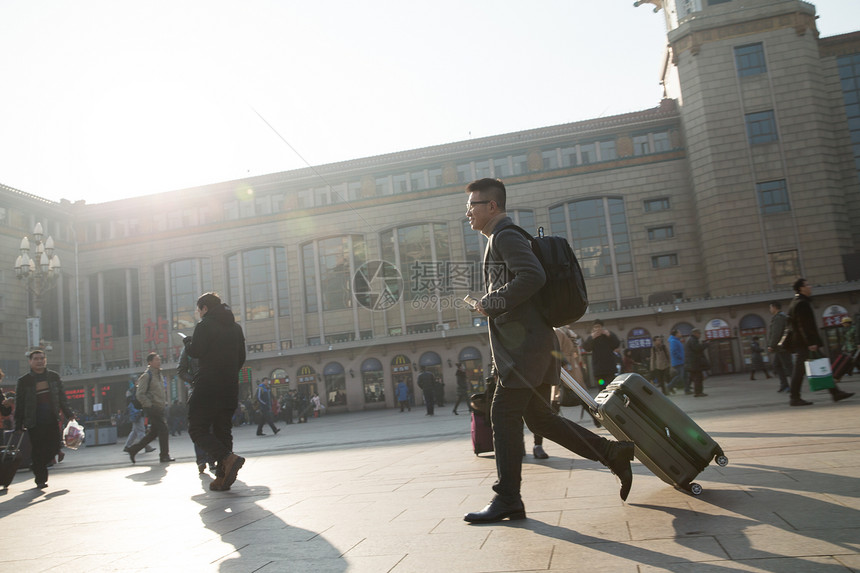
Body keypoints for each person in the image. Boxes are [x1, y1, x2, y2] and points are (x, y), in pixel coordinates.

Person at [462, 178, 633, 524]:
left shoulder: (505, 236)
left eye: (473, 204)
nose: (468, 212)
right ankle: (612, 453)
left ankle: (508, 498)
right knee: (540, 418)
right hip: (533, 345)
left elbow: (533, 276)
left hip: (525, 349)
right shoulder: (504, 237)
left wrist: (491, 302)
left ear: (492, 206)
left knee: (503, 416)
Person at [185, 292, 247, 491]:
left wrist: (187, 344)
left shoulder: (204, 325)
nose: (198, 314)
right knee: (223, 429)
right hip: (229, 385)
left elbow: (196, 352)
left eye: (199, 310)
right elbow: (241, 358)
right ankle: (222, 476)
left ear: (205, 308)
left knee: (197, 428)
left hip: (208, 385)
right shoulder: (236, 328)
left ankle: (227, 458)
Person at [785, 278, 854, 407]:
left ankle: (835, 393)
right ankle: (794, 397)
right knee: (799, 370)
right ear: (801, 288)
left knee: (820, 366)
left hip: (802, 342)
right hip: (804, 343)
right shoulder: (801, 303)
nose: (810, 286)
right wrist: (810, 342)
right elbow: (802, 326)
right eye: (807, 285)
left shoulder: (796, 302)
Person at [13, 349, 75, 489]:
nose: (39, 361)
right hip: (34, 421)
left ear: (45, 360)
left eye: (42, 358)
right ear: (30, 361)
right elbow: (20, 403)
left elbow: (61, 397)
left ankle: (36, 464)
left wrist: (69, 413)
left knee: (54, 447)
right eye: (36, 359)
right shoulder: (24, 381)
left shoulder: (53, 377)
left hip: (52, 418)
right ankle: (41, 479)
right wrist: (18, 424)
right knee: (38, 449)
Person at [126, 352, 174, 463]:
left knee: (153, 433)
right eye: (156, 360)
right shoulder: (147, 375)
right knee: (164, 430)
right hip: (152, 408)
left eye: (159, 359)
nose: (159, 361)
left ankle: (133, 450)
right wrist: (149, 405)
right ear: (150, 362)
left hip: (159, 407)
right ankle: (164, 455)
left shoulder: (159, 375)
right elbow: (140, 394)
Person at [177, 340, 215, 474]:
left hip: (212, 391)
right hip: (196, 392)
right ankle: (201, 459)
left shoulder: (210, 346)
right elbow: (181, 371)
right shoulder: (188, 350)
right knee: (198, 427)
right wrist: (193, 380)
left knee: (212, 427)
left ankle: (212, 460)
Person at [582, 319, 621, 387]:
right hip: (598, 371)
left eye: (599, 326)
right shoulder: (592, 338)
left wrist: (609, 335)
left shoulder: (608, 335)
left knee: (611, 386)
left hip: (610, 369)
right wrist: (592, 337)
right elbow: (586, 348)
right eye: (595, 327)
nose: (597, 329)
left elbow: (616, 344)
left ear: (602, 327)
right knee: (601, 386)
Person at [767, 301, 792, 393]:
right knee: (777, 365)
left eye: (770, 308)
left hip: (782, 346)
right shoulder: (781, 317)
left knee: (788, 367)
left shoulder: (779, 318)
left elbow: (776, 333)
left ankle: (793, 386)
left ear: (774, 307)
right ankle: (784, 385)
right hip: (781, 347)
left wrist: (771, 345)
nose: (770, 310)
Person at [685, 328, 710, 397]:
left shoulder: (690, 339)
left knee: (697, 378)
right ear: (695, 333)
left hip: (693, 363)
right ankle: (698, 392)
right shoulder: (693, 340)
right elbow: (697, 348)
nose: (700, 335)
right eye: (699, 333)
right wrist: (705, 345)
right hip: (694, 363)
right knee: (698, 378)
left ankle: (698, 392)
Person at [666, 328, 686, 394]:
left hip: (680, 361)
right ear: (676, 334)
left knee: (682, 375)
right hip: (678, 362)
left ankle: (687, 388)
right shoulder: (673, 341)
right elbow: (674, 351)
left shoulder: (676, 340)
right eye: (679, 333)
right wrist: (681, 357)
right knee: (679, 376)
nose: (681, 334)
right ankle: (669, 387)